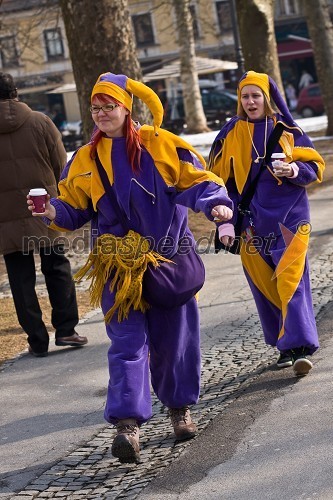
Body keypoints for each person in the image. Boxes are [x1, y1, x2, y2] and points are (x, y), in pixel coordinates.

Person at [27, 71, 233, 464]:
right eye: (96, 108)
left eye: (110, 106)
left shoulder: (161, 144)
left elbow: (199, 180)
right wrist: (51, 209)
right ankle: (128, 425)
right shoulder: (85, 159)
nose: (102, 114)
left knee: (175, 344)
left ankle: (179, 409)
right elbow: (73, 209)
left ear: (126, 108)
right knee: (126, 344)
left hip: (168, 262)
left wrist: (215, 205)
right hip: (118, 267)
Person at [208, 70, 325, 377]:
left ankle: (301, 347)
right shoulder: (229, 134)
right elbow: (220, 184)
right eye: (245, 96)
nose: (250, 101)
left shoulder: (286, 129)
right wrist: (226, 223)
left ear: (266, 98)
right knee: (263, 284)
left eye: (256, 96)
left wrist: (294, 171)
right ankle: (285, 345)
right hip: (250, 222)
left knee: (291, 281)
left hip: (290, 219)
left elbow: (313, 167)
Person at [0, 72, 87, 357]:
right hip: (43, 207)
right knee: (57, 267)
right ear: (15, 92)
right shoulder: (41, 122)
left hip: (6, 216)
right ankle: (66, 330)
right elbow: (62, 166)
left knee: (20, 277)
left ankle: (36, 339)